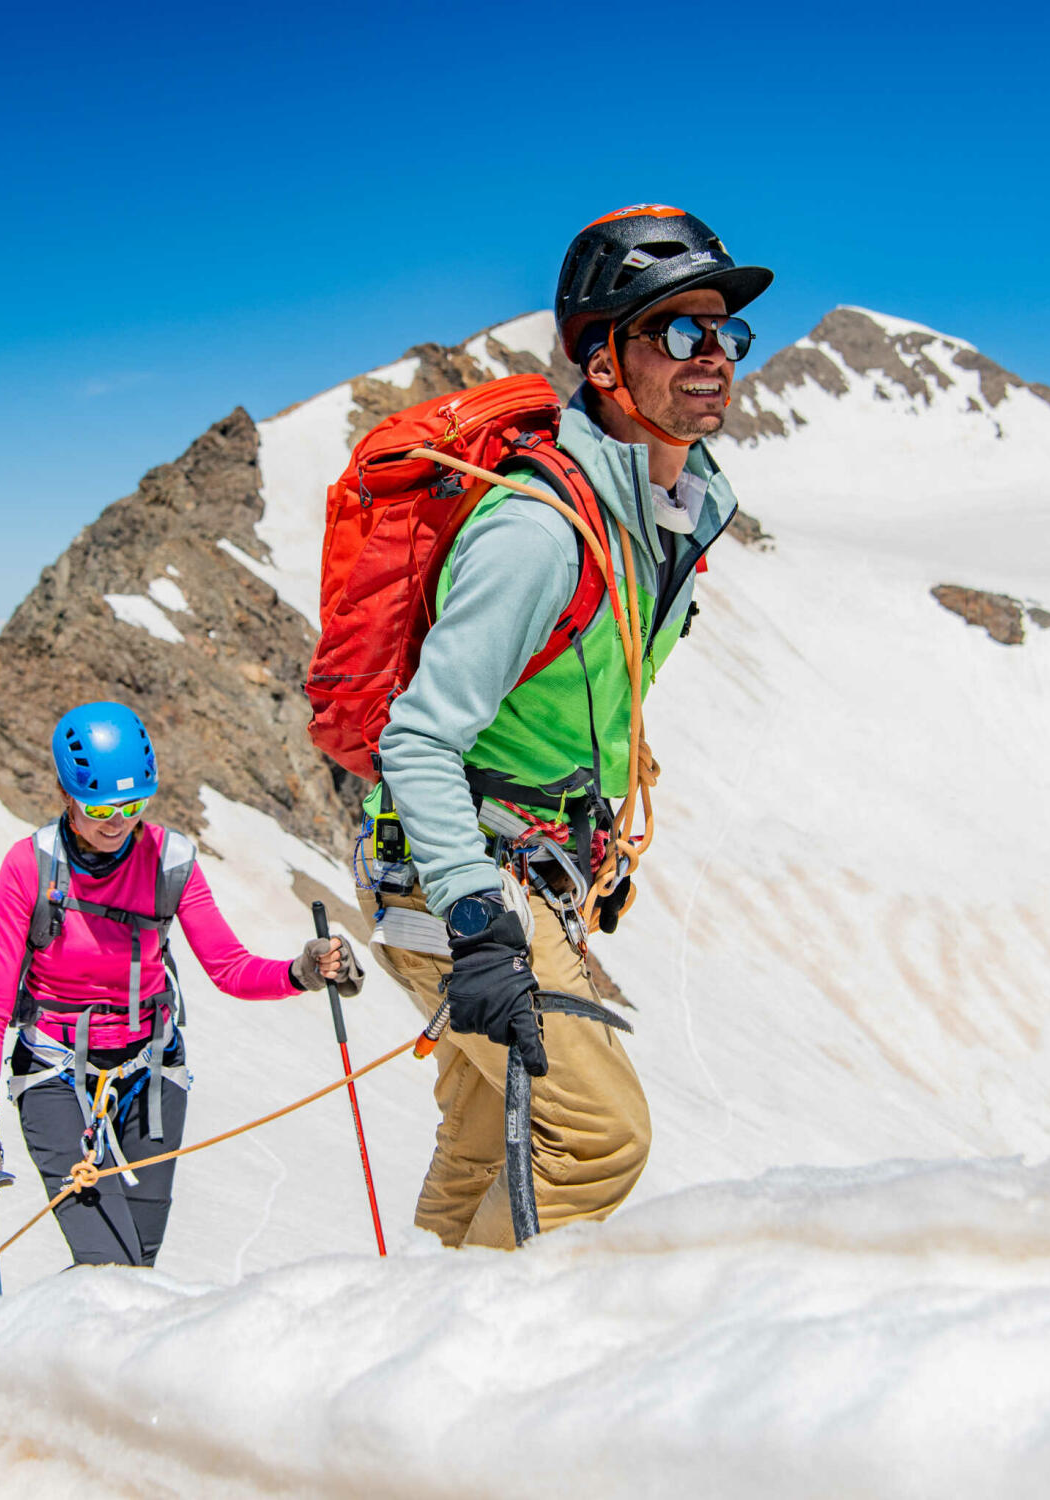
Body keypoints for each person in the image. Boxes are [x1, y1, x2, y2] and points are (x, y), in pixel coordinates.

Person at [363, 205, 770, 1249]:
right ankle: (488, 1348)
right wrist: (475, 920)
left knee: (480, 1139)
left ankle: (400, 1336)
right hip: (456, 874)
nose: (713, 354)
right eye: (678, 330)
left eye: (725, 331)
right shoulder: (541, 533)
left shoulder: (665, 519)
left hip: (523, 865)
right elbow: (419, 739)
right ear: (602, 362)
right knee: (594, 1135)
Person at [0, 701, 362, 1269]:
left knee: (140, 1265)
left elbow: (229, 967)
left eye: (133, 805)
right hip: (53, 1070)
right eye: (99, 808)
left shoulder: (170, 861)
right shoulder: (30, 867)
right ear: (66, 794)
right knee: (107, 1263)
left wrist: (300, 972)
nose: (117, 822)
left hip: (151, 1070)